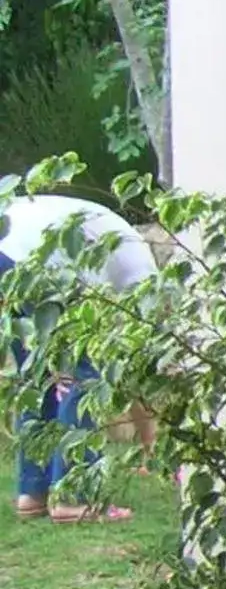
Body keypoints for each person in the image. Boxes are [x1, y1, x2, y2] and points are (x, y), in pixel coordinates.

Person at [0, 193, 157, 523]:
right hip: (38, 264)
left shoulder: (120, 240)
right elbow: (134, 361)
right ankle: (74, 499)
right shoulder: (143, 273)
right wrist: (150, 444)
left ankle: (33, 493)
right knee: (88, 374)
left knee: (36, 375)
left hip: (8, 254)